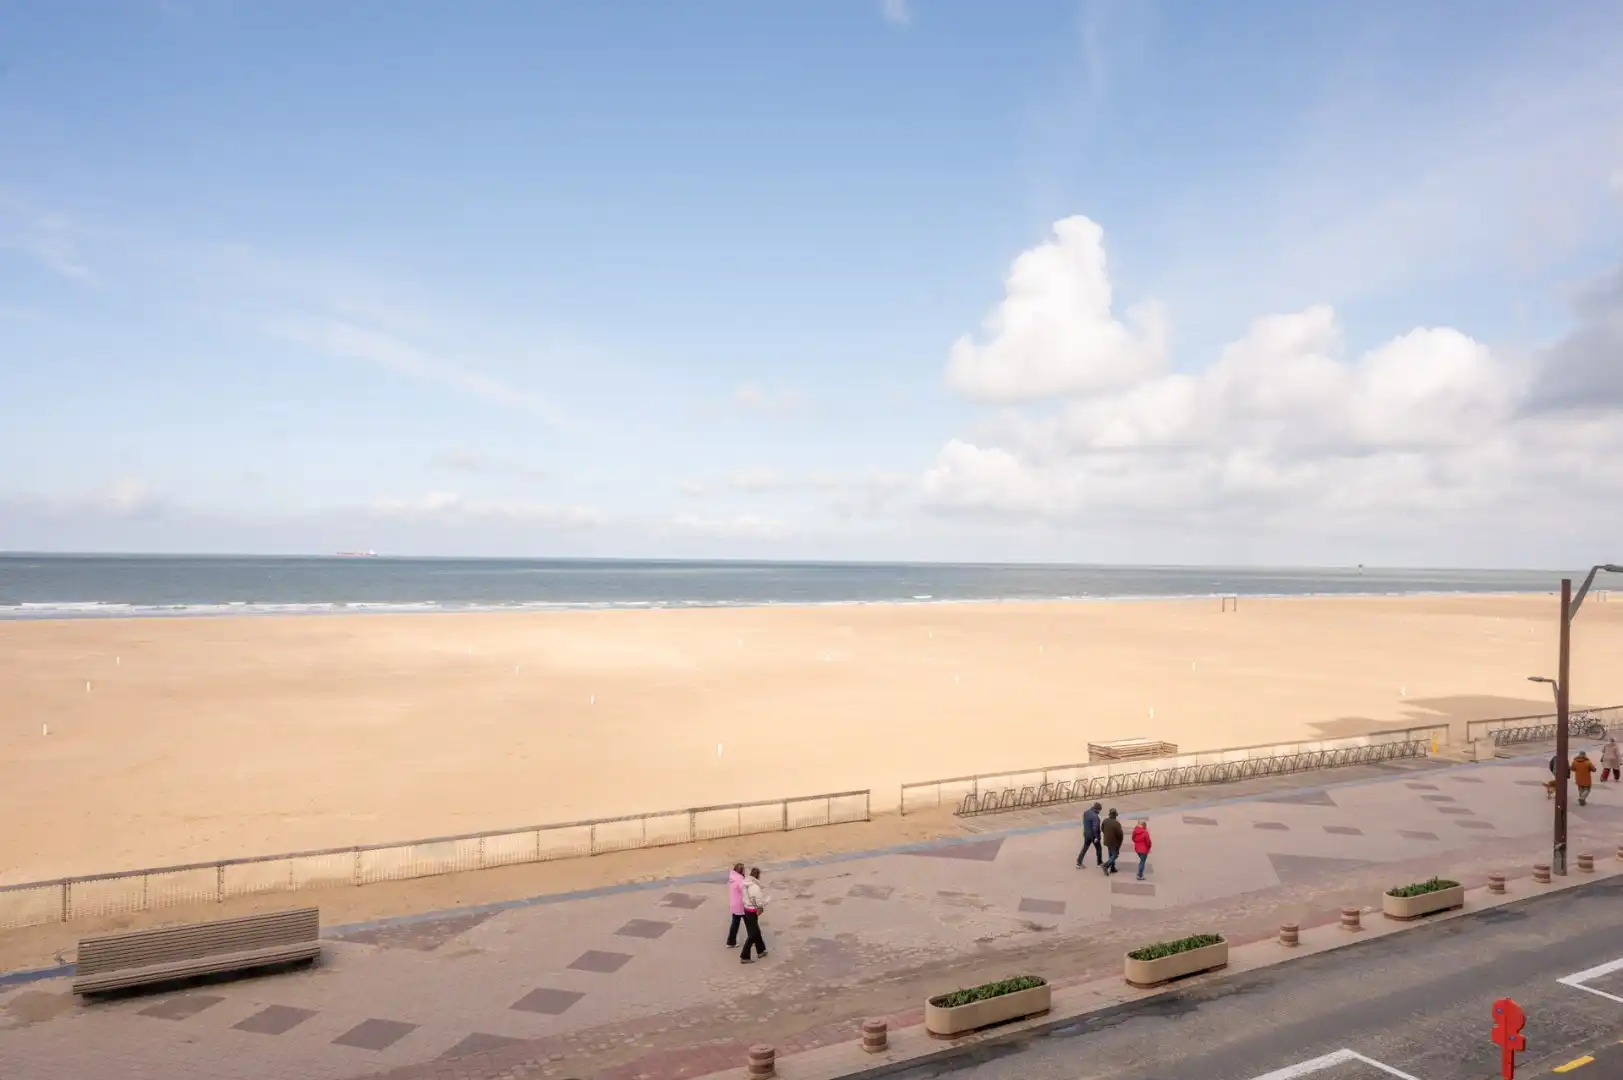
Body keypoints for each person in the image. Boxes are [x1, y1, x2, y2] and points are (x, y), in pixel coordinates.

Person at [740, 867, 769, 963]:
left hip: (746, 909)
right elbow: (758, 901)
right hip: (752, 911)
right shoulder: (755, 887)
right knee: (753, 934)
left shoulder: (745, 883)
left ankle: (761, 950)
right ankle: (744, 956)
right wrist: (767, 900)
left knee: (756, 931)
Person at [1076, 802, 1104, 868]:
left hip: (1086, 834)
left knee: (1085, 848)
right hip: (1093, 836)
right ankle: (1099, 863)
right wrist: (1096, 837)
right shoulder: (1096, 817)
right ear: (1098, 809)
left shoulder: (1086, 812)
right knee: (1099, 849)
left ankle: (1079, 862)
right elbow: (1095, 828)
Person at [726, 862, 747, 948]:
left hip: (734, 905)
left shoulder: (732, 878)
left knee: (735, 924)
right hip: (741, 905)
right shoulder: (740, 880)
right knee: (750, 923)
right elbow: (744, 891)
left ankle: (731, 941)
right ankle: (754, 939)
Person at [1100, 808, 1124, 875]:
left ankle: (1112, 867)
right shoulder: (1117, 823)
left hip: (1107, 841)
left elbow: (1102, 829)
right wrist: (1119, 843)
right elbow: (1120, 835)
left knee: (1110, 854)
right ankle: (1105, 865)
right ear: (1115, 815)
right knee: (1115, 855)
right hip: (1114, 842)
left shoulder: (1105, 821)